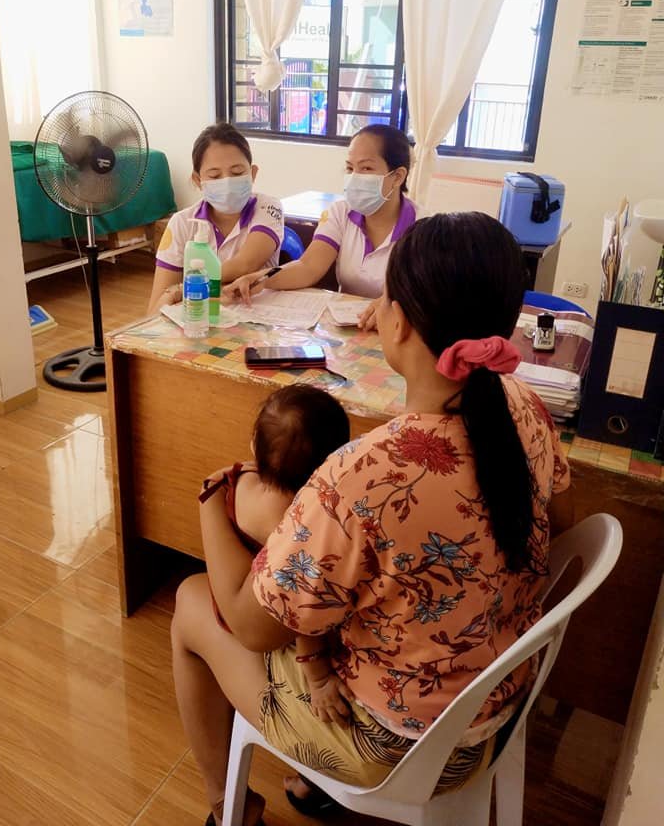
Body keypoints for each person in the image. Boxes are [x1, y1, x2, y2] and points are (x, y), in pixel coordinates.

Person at [170, 212, 570, 826]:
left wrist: (212, 501)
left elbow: (253, 628)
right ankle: (310, 789)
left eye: (384, 297)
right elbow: (558, 515)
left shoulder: (362, 476)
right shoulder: (524, 406)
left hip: (392, 748)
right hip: (494, 707)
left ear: (399, 322)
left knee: (192, 600)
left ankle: (231, 808)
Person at [199, 384, 352, 731]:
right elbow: (301, 612)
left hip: (230, 596)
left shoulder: (239, 479)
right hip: (267, 619)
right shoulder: (294, 525)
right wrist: (317, 678)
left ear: (255, 445)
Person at [223, 124, 421, 313]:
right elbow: (308, 266)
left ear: (398, 176)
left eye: (366, 168)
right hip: (350, 324)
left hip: (398, 325)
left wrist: (386, 307)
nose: (354, 177)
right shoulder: (341, 213)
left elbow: (422, 296)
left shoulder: (422, 228)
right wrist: (260, 278)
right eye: (350, 168)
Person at [147, 123, 283, 314]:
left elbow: (246, 264)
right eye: (215, 176)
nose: (227, 182)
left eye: (237, 173)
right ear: (198, 180)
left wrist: (185, 287)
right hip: (198, 321)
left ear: (252, 173)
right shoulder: (181, 223)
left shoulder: (268, 207)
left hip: (255, 318)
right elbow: (156, 308)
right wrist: (173, 294)